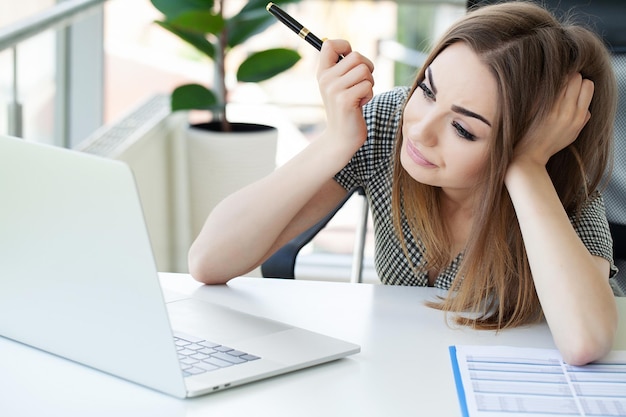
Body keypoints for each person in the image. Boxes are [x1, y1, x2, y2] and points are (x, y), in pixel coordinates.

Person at [188, 1, 618, 365]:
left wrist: (524, 166)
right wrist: (337, 141)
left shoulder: (558, 183)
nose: (420, 130)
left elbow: (586, 342)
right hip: (405, 371)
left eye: (464, 129)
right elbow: (210, 260)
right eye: (428, 90)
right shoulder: (392, 121)